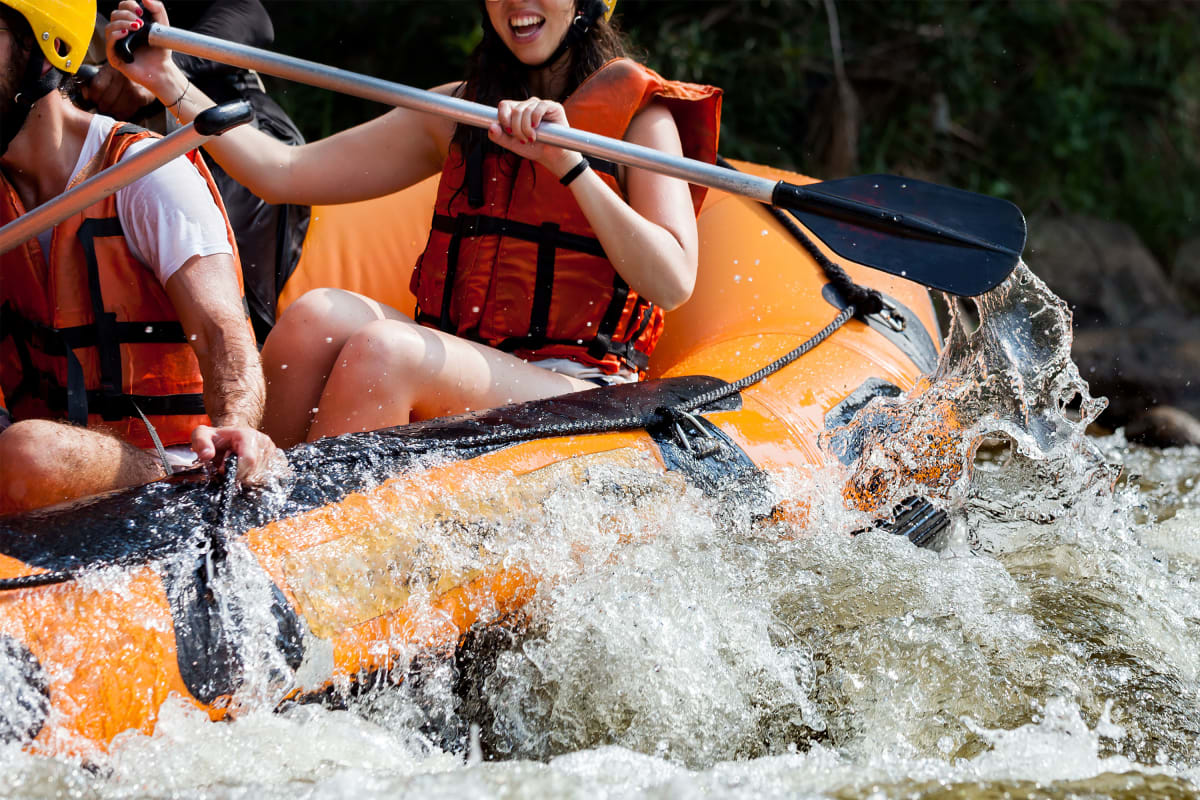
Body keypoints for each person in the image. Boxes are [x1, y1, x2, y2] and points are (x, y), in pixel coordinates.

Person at [106, 0, 721, 448]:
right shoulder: (458, 110)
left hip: (582, 388)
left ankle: (317, 542)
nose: (519, 5)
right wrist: (168, 82)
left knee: (386, 352)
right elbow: (283, 173)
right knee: (313, 318)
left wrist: (570, 165)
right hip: (473, 361)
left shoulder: (644, 122)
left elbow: (671, 281)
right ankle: (249, 504)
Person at [0, 0, 276, 514]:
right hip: (37, 490)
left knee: (29, 452)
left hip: (171, 474)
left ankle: (197, 474)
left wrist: (235, 425)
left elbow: (221, 331)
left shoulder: (146, 173)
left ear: (46, 50)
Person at [81, 0, 310, 346]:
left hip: (222, 111)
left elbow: (251, 15)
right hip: (95, 119)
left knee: (217, 241)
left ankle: (248, 343)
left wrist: (163, 71)